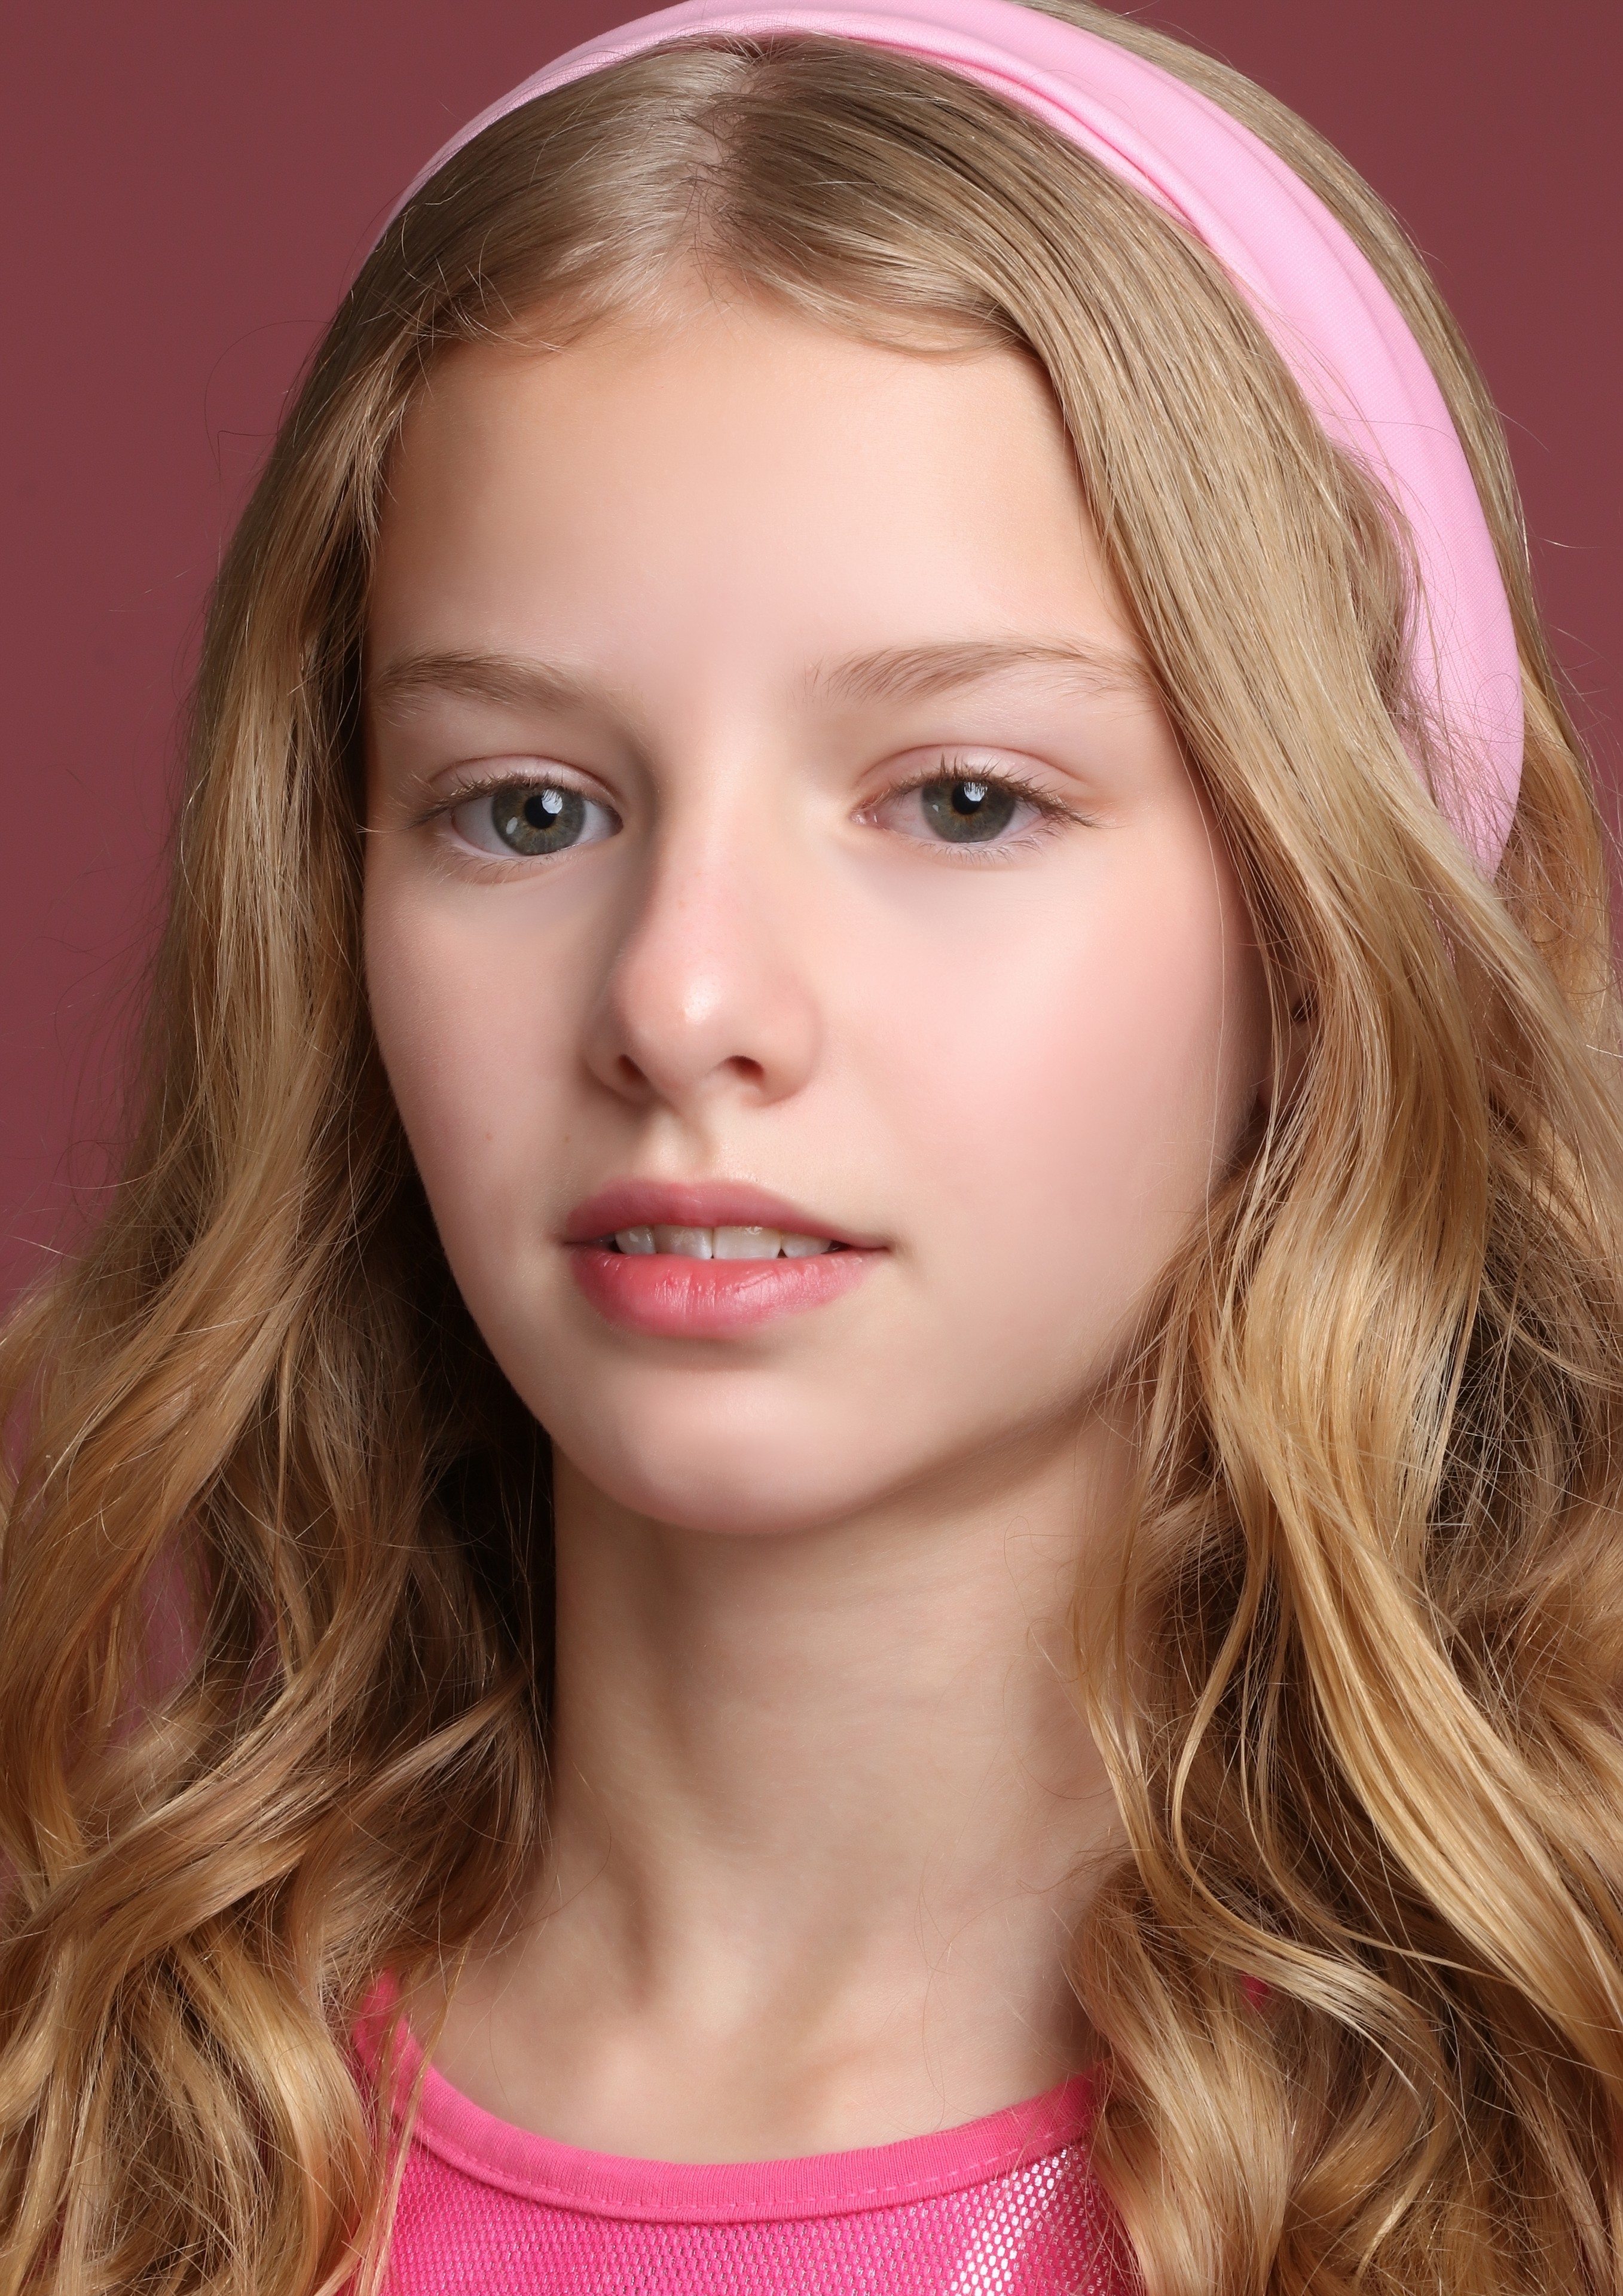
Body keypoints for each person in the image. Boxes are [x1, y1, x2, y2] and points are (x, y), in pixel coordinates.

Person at [3, 1, 1620, 2289]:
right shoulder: (74, 2116)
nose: (680, 1003)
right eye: (526, 810)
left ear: (1322, 920)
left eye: (959, 800)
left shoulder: (1564, 2137)